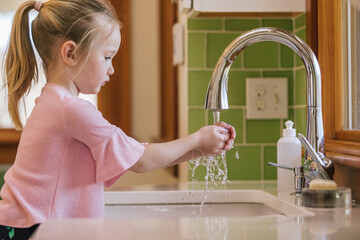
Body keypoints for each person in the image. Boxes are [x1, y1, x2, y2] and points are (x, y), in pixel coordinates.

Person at [0, 0, 235, 239]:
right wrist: (197, 140)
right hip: (29, 229)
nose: (111, 69)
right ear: (70, 53)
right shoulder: (72, 111)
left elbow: (134, 156)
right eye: (107, 57)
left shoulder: (54, 103)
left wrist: (200, 148)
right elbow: (141, 160)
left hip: (22, 225)